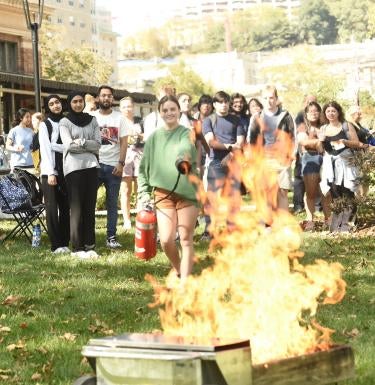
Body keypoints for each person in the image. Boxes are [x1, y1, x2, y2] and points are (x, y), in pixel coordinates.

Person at [137, 95, 199, 282]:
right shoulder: (154, 137)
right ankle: (179, 269)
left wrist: (182, 159)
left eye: (173, 109)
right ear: (160, 113)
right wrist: (144, 193)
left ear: (179, 111)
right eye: (165, 110)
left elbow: (185, 147)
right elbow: (143, 168)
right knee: (165, 240)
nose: (169, 113)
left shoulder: (186, 132)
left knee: (186, 239)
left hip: (187, 192)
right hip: (163, 194)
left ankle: (185, 282)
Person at [59, 91, 101, 258]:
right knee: (76, 209)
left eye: (80, 101)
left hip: (92, 167)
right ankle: (77, 248)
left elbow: (98, 144)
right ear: (69, 103)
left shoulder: (92, 120)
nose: (77, 104)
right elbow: (69, 145)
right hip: (73, 169)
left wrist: (81, 142)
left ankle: (90, 245)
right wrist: (86, 145)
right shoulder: (64, 121)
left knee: (90, 207)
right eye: (74, 101)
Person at [202, 91, 246, 238]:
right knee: (212, 198)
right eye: (220, 102)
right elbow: (211, 142)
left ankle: (232, 228)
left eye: (226, 102)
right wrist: (228, 147)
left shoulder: (236, 120)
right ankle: (209, 231)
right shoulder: (209, 120)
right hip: (216, 163)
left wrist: (231, 154)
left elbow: (240, 143)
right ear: (214, 104)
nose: (224, 105)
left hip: (234, 163)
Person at [91, 85, 128, 248]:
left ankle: (111, 237)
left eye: (109, 96)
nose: (106, 98)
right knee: (89, 202)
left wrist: (121, 164)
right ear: (98, 98)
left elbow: (124, 142)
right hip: (94, 166)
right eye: (103, 95)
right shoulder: (91, 117)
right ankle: (88, 235)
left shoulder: (120, 118)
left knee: (112, 203)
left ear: (112, 99)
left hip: (114, 166)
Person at [249, 85, 295, 212]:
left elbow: (292, 138)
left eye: (271, 97)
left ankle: (283, 225)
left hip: (282, 160)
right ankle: (267, 225)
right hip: (263, 160)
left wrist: (289, 158)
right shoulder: (256, 118)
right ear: (261, 99)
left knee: (282, 192)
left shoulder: (286, 116)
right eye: (265, 98)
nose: (268, 101)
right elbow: (251, 141)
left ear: (276, 99)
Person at [319, 101, 362, 232]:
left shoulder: (346, 125)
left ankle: (349, 222)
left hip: (346, 163)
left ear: (338, 112)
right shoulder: (323, 128)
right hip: (330, 165)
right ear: (325, 113)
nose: (331, 113)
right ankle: (338, 223)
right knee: (335, 192)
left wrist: (344, 141)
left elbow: (356, 143)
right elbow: (321, 150)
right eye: (328, 111)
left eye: (333, 111)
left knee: (348, 191)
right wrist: (320, 140)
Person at [39, 95, 70, 253]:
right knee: (51, 209)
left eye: (57, 102)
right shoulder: (45, 124)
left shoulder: (66, 122)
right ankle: (56, 245)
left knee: (65, 207)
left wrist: (56, 146)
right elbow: (45, 149)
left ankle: (65, 242)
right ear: (47, 107)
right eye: (51, 104)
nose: (55, 106)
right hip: (49, 172)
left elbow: (70, 146)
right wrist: (51, 173)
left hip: (66, 171)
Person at [296, 101, 330, 230]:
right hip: (310, 158)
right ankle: (310, 220)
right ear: (306, 114)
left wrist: (318, 143)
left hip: (326, 158)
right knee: (310, 191)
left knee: (326, 191)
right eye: (311, 111)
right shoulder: (303, 127)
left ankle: (328, 219)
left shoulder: (325, 126)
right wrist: (318, 142)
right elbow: (303, 141)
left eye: (316, 111)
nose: (314, 113)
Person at [119, 96, 143, 231]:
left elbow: (148, 136)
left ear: (133, 107)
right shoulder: (119, 122)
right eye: (124, 107)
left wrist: (139, 135)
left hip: (140, 154)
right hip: (125, 155)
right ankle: (127, 220)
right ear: (120, 109)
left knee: (140, 188)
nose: (127, 109)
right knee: (125, 190)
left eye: (129, 106)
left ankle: (140, 217)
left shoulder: (141, 121)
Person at [293, 95, 318, 213]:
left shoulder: (319, 115)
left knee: (316, 178)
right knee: (299, 178)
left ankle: (318, 206)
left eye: (313, 102)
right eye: (308, 102)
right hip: (302, 150)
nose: (311, 104)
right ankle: (298, 205)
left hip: (317, 152)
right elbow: (300, 132)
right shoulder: (300, 115)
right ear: (304, 103)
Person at [6, 108, 34, 172]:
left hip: (30, 163)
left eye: (30, 117)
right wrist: (16, 148)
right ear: (21, 118)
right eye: (27, 117)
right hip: (18, 164)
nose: (29, 119)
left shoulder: (31, 131)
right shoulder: (14, 130)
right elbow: (7, 146)